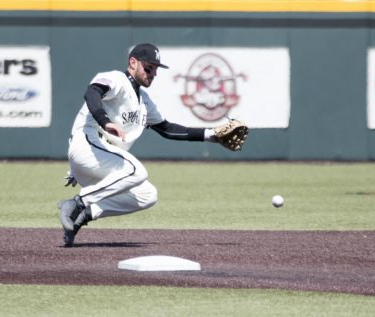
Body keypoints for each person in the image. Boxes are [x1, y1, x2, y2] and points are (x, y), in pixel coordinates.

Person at [58, 43, 246, 247]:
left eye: (156, 69)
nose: (153, 73)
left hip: (100, 160)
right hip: (87, 144)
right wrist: (106, 121)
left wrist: (212, 136)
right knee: (137, 171)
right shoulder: (116, 79)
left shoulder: (144, 101)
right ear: (132, 62)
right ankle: (76, 203)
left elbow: (167, 129)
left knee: (147, 195)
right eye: (149, 68)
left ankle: (83, 215)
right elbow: (92, 93)